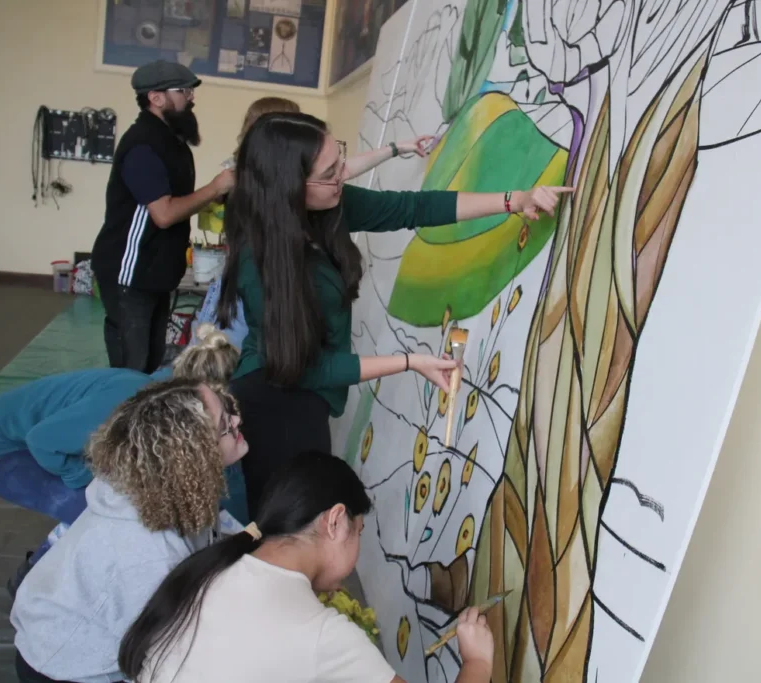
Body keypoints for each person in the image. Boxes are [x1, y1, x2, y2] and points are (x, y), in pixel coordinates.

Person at [216, 111, 570, 517]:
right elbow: (307, 368)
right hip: (276, 401)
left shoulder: (328, 206)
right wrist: (407, 361)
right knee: (293, 527)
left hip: (308, 395)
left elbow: (414, 209)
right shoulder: (258, 261)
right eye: (330, 173)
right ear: (291, 187)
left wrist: (514, 200)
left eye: (340, 161)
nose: (342, 177)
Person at [118, 451, 495, 683]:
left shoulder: (216, 567)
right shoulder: (322, 635)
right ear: (335, 521)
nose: (359, 549)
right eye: (358, 531)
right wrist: (477, 662)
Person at [0, 324, 248, 593]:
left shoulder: (163, 397)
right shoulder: (127, 402)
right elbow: (42, 441)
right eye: (225, 418)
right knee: (87, 508)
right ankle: (33, 579)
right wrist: (84, 478)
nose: (236, 420)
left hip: (38, 436)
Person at [11, 378, 249, 683]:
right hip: (64, 669)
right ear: (194, 455)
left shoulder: (169, 492)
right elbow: (163, 658)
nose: (237, 419)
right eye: (225, 422)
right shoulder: (149, 554)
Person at [192, 95, 436, 349]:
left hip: (255, 290)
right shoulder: (245, 180)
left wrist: (396, 148)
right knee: (220, 370)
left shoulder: (267, 177)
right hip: (243, 297)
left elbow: (344, 169)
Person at [92, 59, 235, 373]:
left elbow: (175, 202)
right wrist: (214, 188)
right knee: (131, 365)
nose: (191, 97)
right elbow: (165, 214)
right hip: (130, 273)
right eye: (183, 90)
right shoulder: (143, 145)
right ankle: (121, 418)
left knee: (150, 359)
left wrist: (215, 197)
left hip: (156, 271)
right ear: (155, 98)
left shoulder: (172, 142)